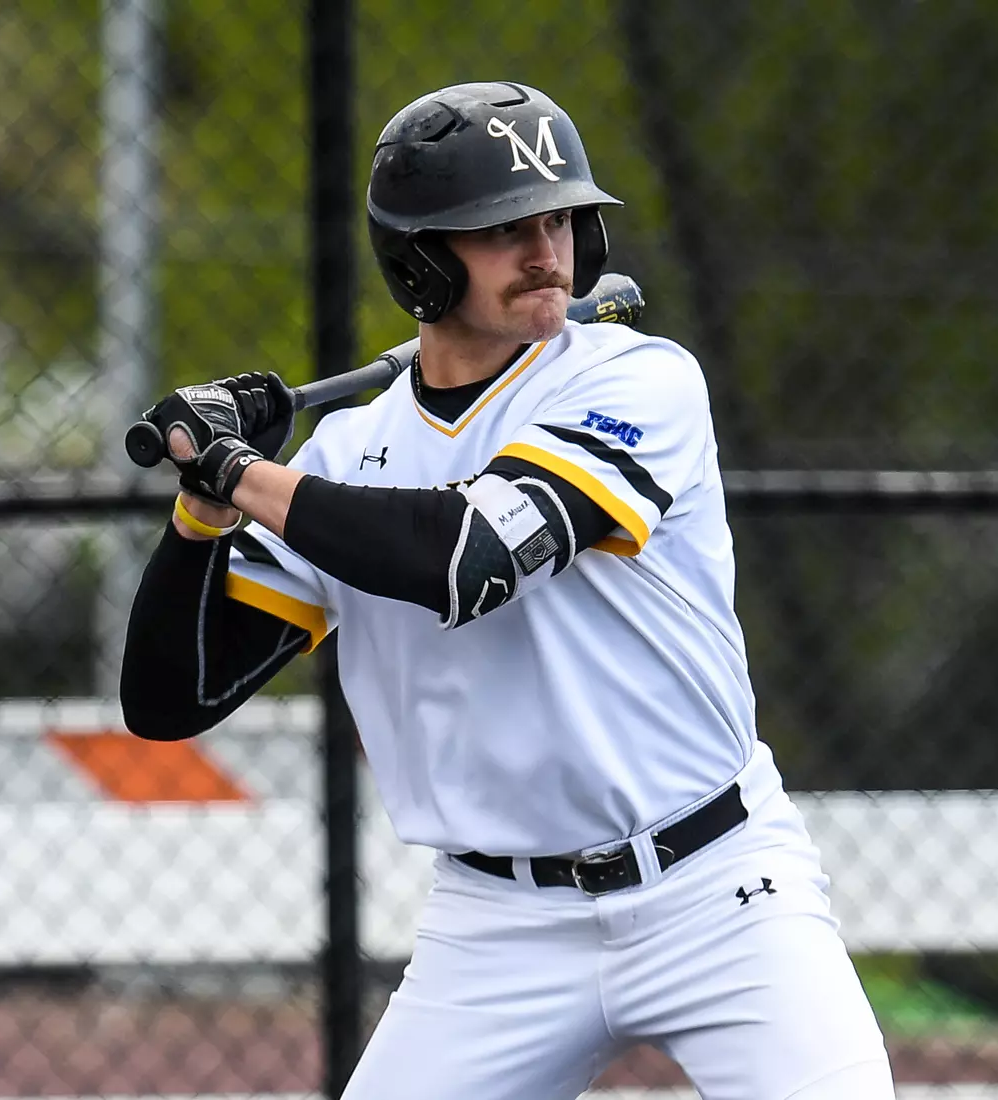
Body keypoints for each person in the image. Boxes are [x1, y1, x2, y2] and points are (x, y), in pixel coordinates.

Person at [120, 81, 893, 1100]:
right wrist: (201, 518)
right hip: (499, 928)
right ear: (423, 259)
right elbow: (173, 695)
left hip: (718, 886)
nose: (548, 251)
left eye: (561, 217)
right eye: (503, 229)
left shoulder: (637, 379)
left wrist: (239, 472)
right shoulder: (349, 453)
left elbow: (469, 559)